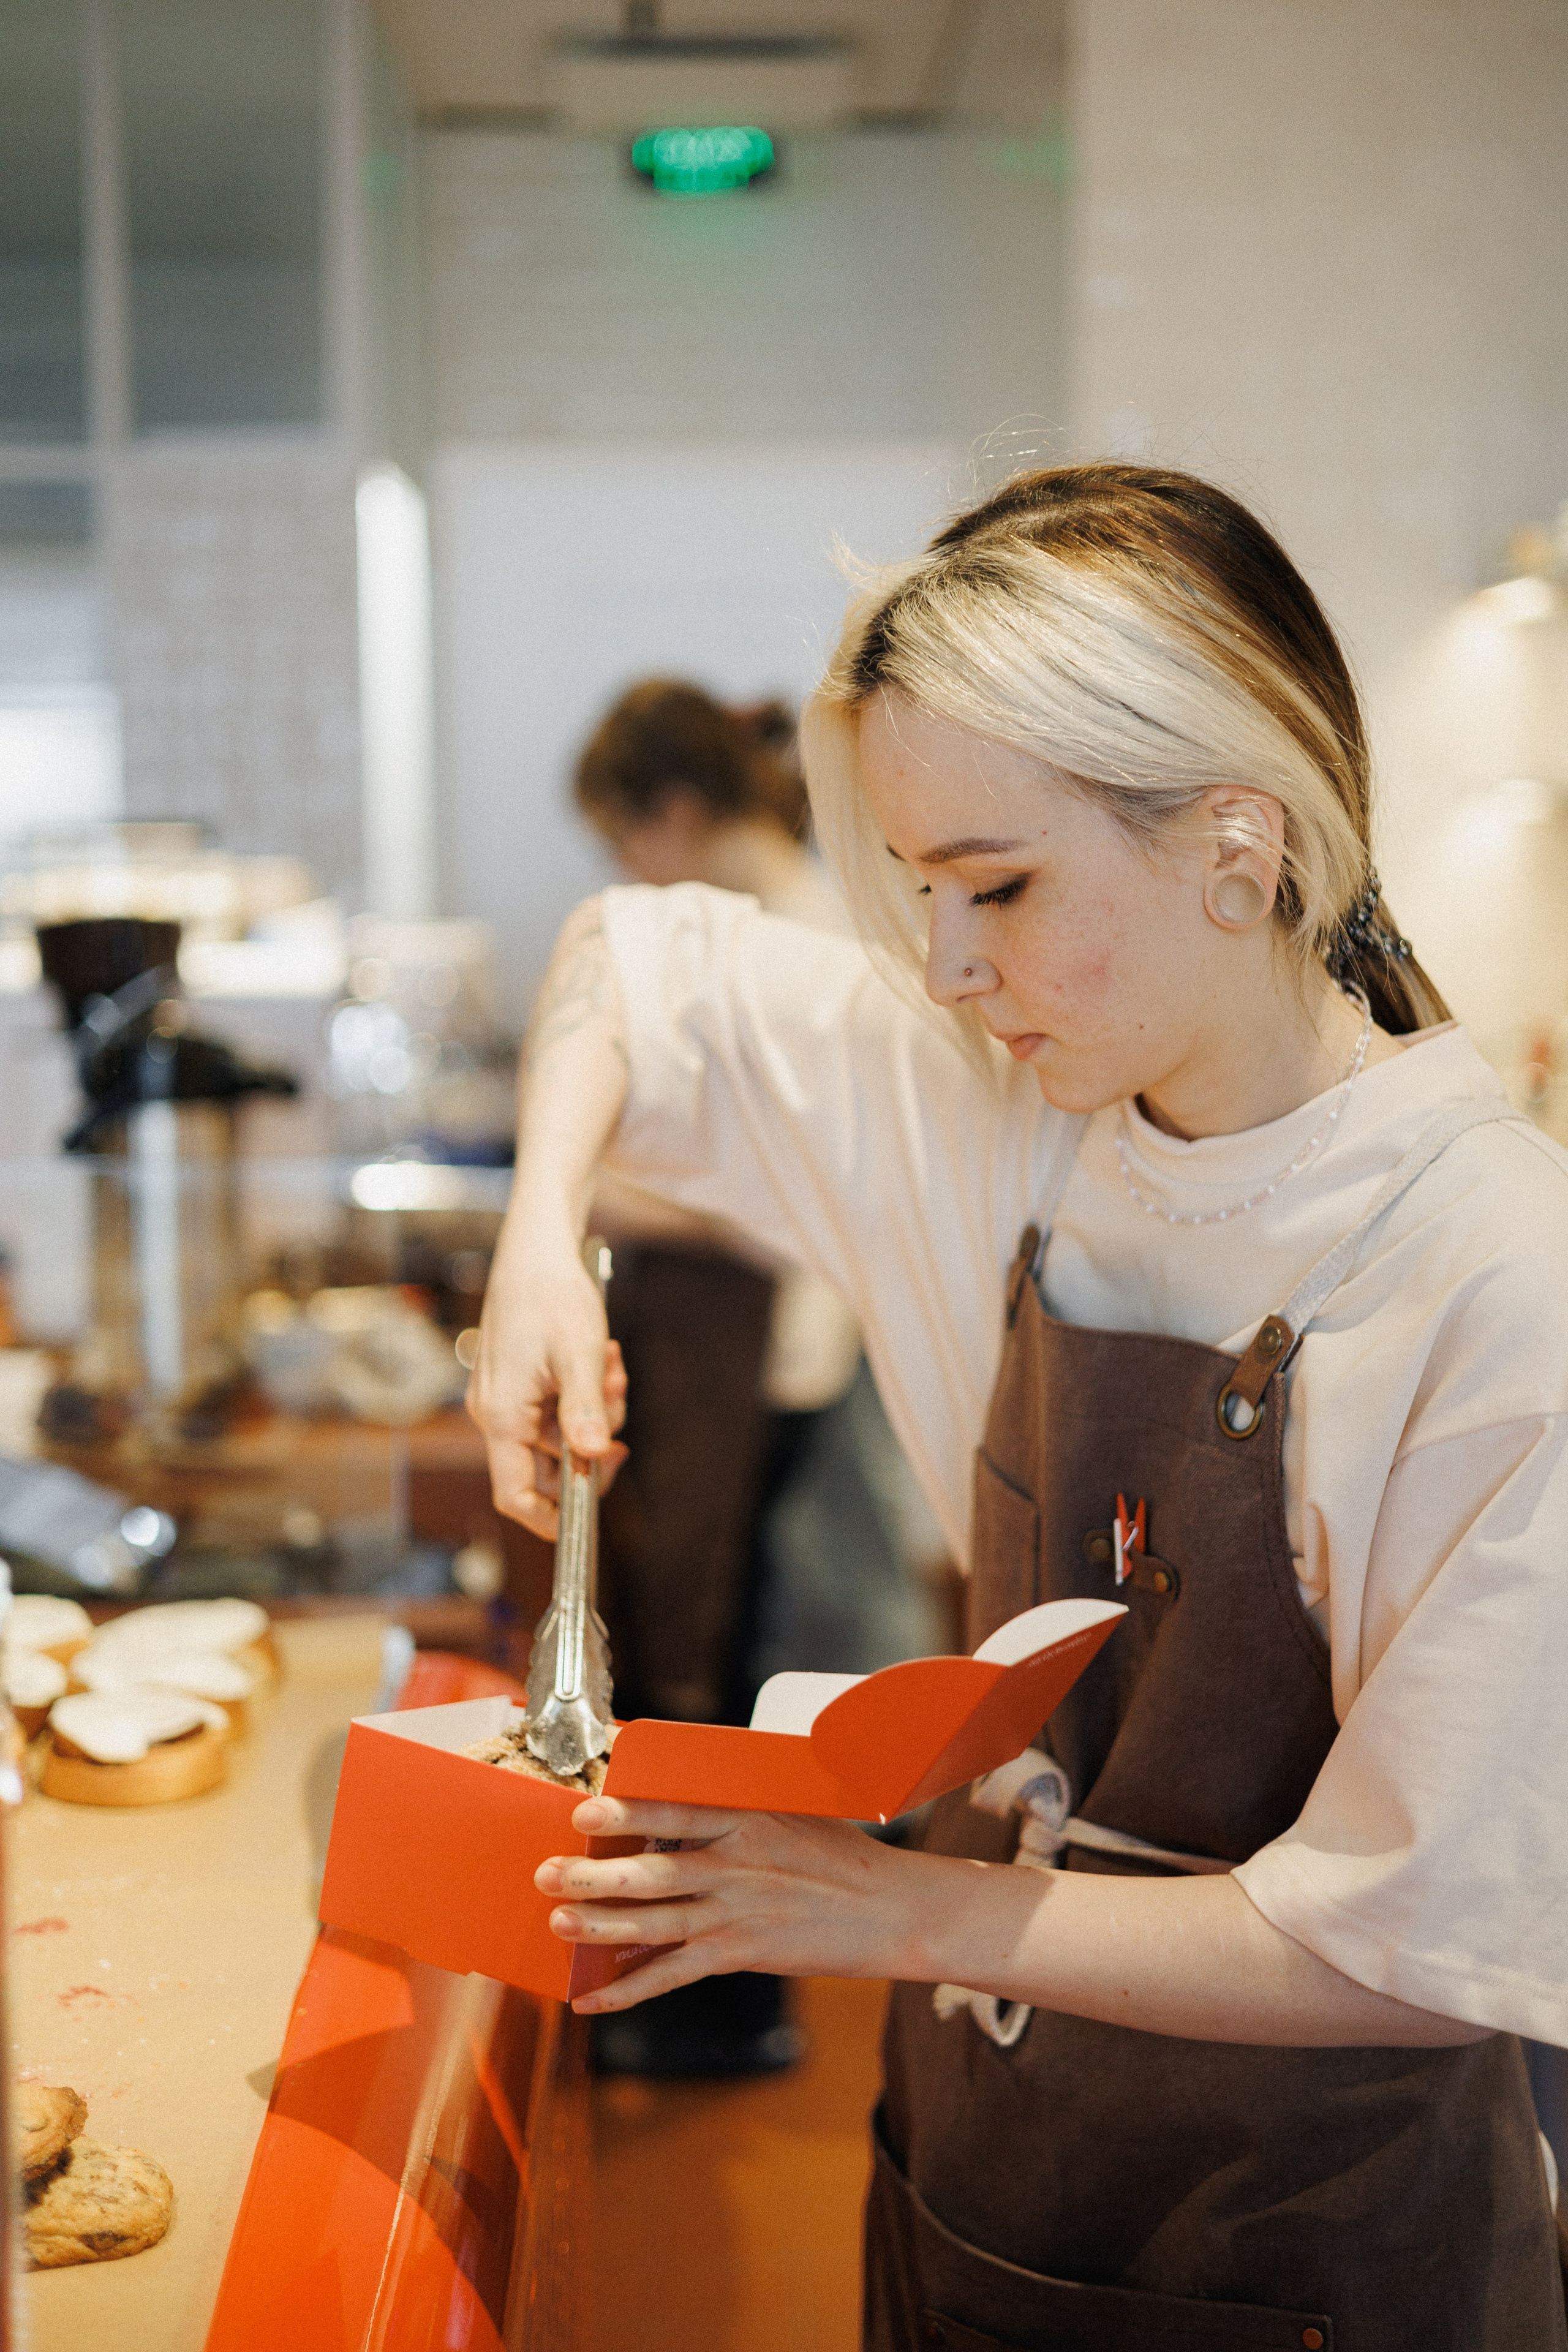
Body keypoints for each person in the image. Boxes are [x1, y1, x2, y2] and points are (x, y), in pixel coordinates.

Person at [470, 465, 1568, 2348]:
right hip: (973, 2196)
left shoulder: (1492, 1268)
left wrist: (891, 1915)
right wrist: (538, 1240)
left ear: (1242, 843)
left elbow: (1413, 1942)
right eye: (918, 893)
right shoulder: (1022, 1118)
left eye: (999, 887)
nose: (951, 970)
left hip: (1314, 2258)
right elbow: (633, 963)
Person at [567, 679, 935, 2075]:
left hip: (778, 1362)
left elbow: (799, 1211)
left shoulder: (800, 939)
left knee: (713, 1678)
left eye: (620, 840)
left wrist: (608, 1196)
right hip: (752, 1358)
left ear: (669, 811)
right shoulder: (770, 918)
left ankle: (725, 2005)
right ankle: (708, 1996)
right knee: (706, 1666)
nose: (622, 876)